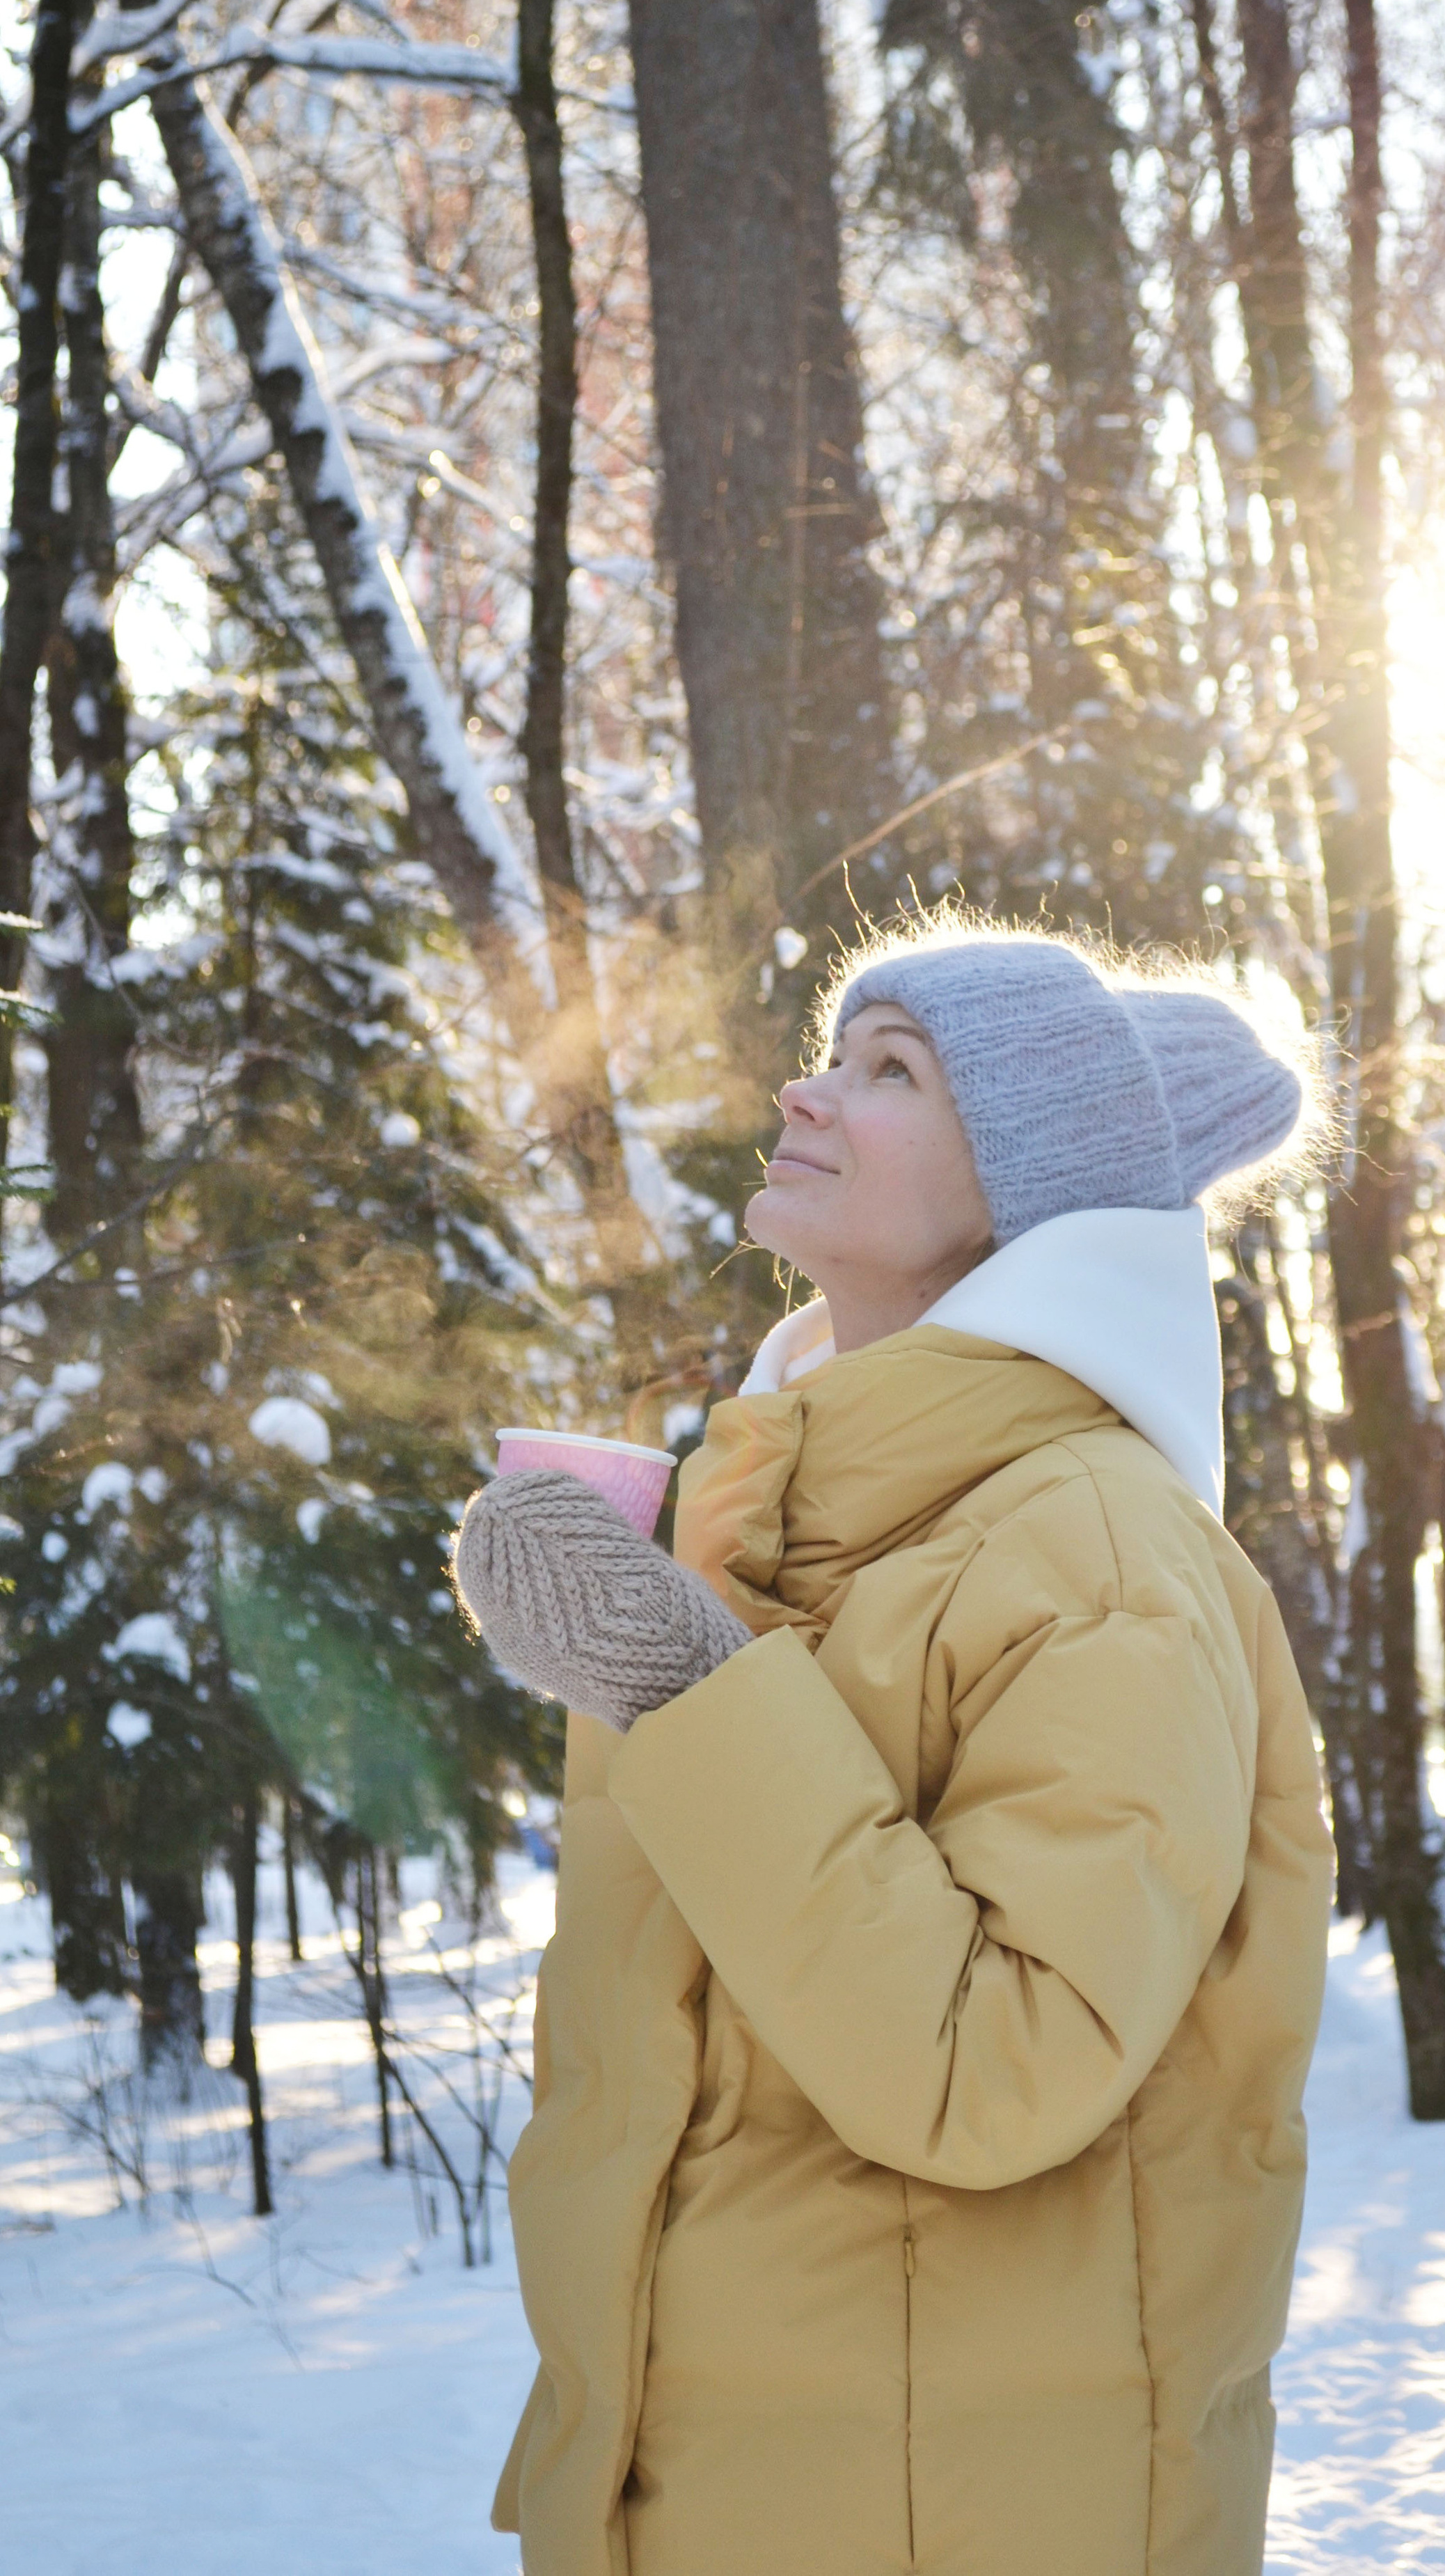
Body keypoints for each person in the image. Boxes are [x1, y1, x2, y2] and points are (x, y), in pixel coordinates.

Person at [454, 918, 1333, 2576]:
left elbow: (993, 2062)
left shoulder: (1098, 1543)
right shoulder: (795, 1517)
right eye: (830, 1048)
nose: (806, 1088)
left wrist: (675, 1682)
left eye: (889, 1069)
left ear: (1023, 1191)